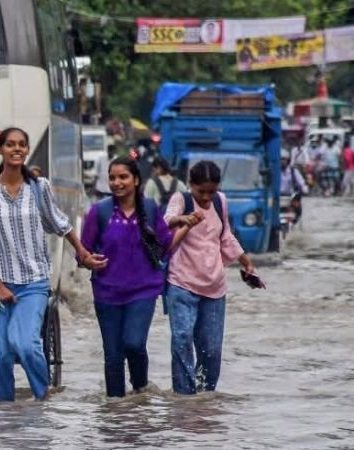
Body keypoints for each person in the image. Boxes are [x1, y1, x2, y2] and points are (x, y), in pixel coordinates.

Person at [0, 127, 105, 402]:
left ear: (27, 150)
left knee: (26, 344)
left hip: (33, 282)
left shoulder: (39, 187)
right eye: (10, 145)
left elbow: (59, 223)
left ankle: (43, 400)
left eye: (21, 144)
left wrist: (83, 253)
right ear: (0, 150)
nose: (16, 149)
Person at [82, 157, 189, 397]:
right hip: (106, 292)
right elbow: (83, 251)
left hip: (143, 290)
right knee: (112, 356)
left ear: (136, 180)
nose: (117, 182)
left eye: (123, 177)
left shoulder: (150, 209)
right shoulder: (99, 212)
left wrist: (186, 227)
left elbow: (164, 247)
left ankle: (141, 390)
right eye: (112, 178)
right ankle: (118, 413)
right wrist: (86, 260)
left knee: (134, 343)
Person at [163, 160, 262, 395]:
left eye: (211, 191)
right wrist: (183, 219)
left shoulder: (220, 201)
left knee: (211, 350)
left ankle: (205, 397)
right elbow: (166, 222)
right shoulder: (181, 199)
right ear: (191, 186)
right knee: (182, 340)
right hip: (181, 283)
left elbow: (225, 236)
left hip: (214, 285)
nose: (206, 197)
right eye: (201, 192)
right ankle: (184, 396)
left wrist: (246, 262)